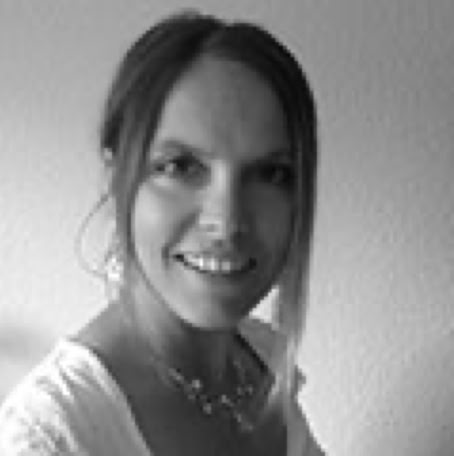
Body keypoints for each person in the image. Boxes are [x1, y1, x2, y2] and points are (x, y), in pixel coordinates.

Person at [0, 10, 324, 456]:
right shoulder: (52, 438)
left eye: (271, 173)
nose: (227, 221)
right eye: (181, 167)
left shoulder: (257, 363)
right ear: (116, 179)